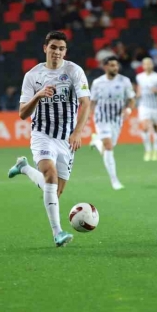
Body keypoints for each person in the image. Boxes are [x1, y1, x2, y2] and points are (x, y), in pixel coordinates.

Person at [7, 31, 92, 247]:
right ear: (45, 48)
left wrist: (78, 132)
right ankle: (58, 233)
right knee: (50, 176)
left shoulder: (74, 71)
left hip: (66, 139)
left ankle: (24, 168)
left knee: (55, 189)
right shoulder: (32, 76)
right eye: (53, 47)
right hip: (42, 135)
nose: (57, 52)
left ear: (66, 51)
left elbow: (85, 102)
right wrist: (37, 95)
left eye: (61, 48)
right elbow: (23, 114)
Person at [88, 57, 135, 189]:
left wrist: (129, 109)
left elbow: (131, 99)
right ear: (105, 67)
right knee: (108, 147)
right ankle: (114, 181)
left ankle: (96, 142)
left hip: (116, 120)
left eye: (116, 65)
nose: (115, 68)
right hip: (101, 118)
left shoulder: (124, 81)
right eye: (112, 65)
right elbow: (93, 101)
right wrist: (88, 115)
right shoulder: (98, 82)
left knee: (107, 149)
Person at [135, 57, 157, 161]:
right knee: (145, 127)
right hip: (144, 106)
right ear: (143, 66)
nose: (147, 66)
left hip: (155, 106)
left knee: (155, 129)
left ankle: (156, 148)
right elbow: (139, 89)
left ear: (152, 65)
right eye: (145, 64)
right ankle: (148, 149)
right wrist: (138, 94)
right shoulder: (139, 77)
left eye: (149, 64)